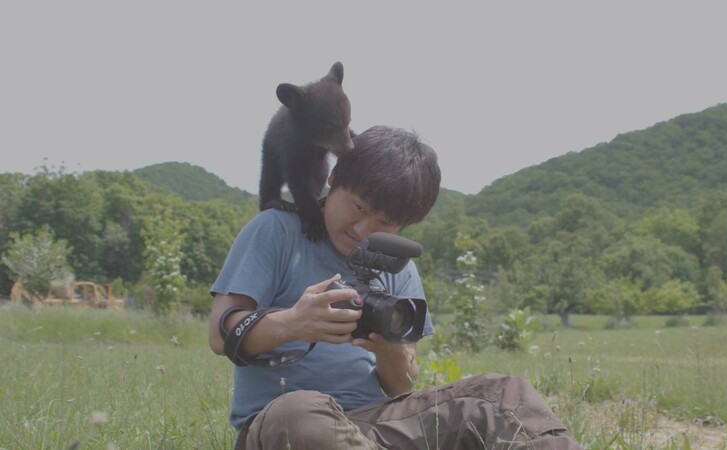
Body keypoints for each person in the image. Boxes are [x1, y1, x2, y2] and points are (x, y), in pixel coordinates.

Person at [208, 126, 581, 449]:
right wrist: (293, 323)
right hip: (286, 425)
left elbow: (403, 388)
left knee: (502, 396)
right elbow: (219, 333)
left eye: (384, 223)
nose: (363, 230)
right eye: (358, 208)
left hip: (376, 424)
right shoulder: (277, 230)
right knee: (297, 414)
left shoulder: (397, 266)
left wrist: (388, 347)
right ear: (334, 178)